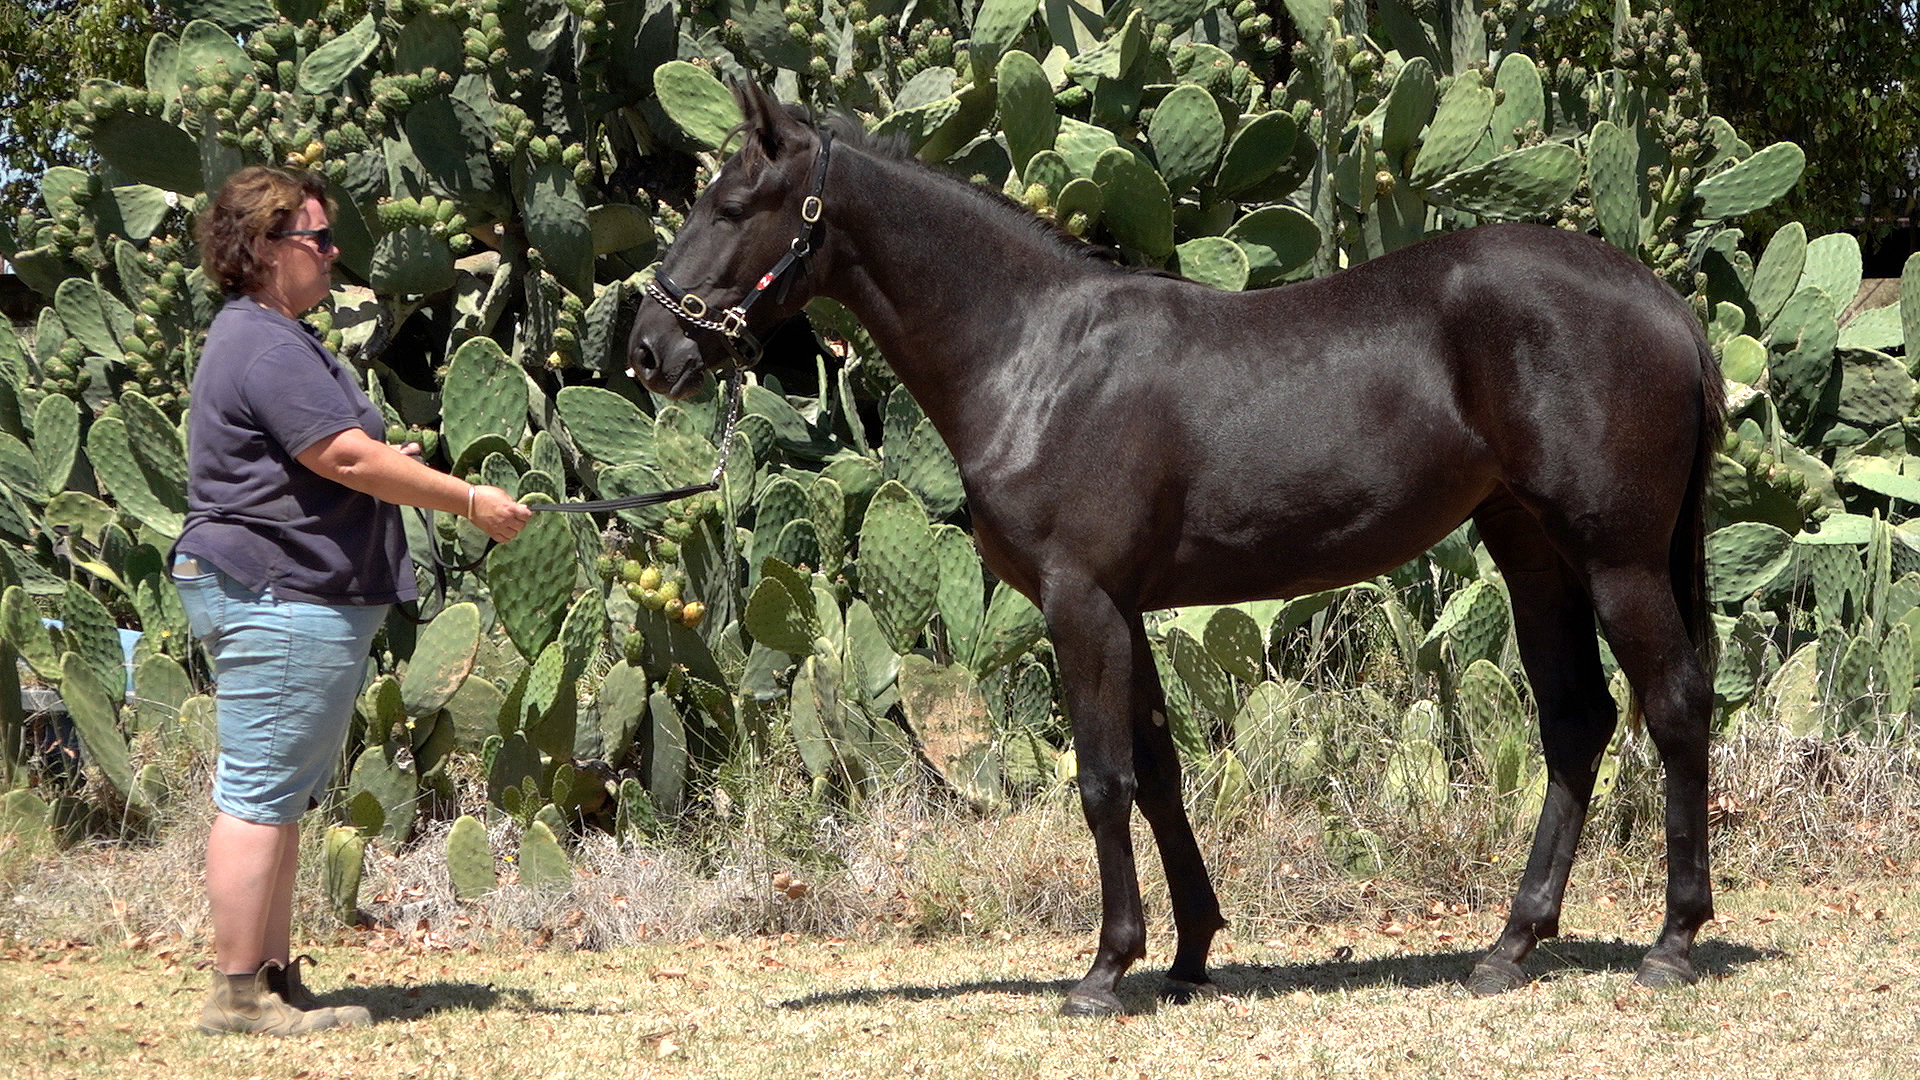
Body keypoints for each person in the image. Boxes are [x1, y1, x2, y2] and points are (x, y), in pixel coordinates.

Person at [174, 166, 531, 1035]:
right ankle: (238, 997)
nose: (335, 254)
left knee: (280, 797)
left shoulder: (272, 336)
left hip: (289, 589)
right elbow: (341, 456)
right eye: (319, 238)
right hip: (280, 589)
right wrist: (469, 499)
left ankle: (271, 981)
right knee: (258, 794)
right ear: (265, 247)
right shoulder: (264, 343)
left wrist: (389, 465)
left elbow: (326, 453)